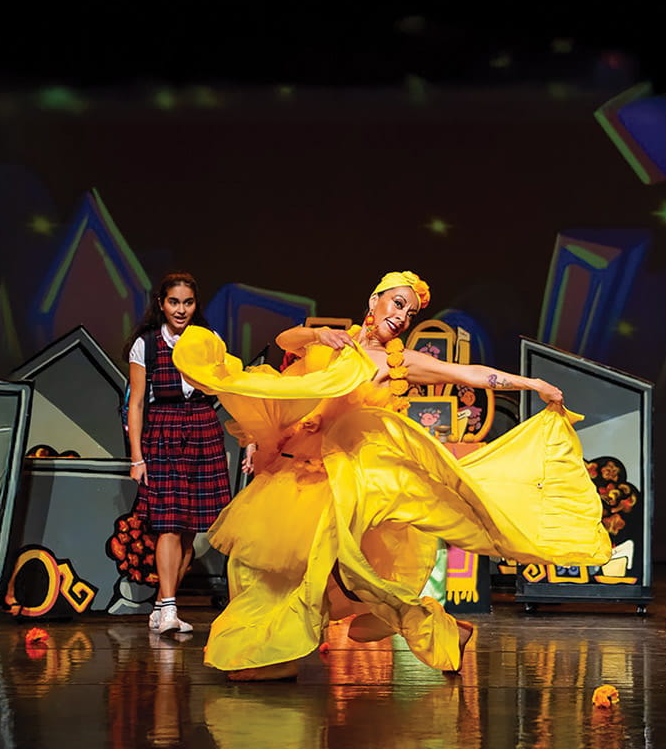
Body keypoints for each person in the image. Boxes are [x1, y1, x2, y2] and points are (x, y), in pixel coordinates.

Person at [172, 271, 612, 680]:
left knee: (343, 568)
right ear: (374, 301)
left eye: (409, 312)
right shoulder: (334, 345)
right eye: (396, 304)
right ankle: (269, 648)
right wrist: (316, 333)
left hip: (354, 484)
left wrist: (531, 385)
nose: (400, 317)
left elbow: (472, 374)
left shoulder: (400, 364)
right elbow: (286, 339)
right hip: (296, 477)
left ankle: (420, 627)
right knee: (275, 571)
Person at [125, 272, 234, 636]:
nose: (181, 310)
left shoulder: (209, 341)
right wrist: (136, 457)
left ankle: (161, 606)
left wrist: (250, 438)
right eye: (174, 302)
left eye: (187, 302)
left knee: (189, 529)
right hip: (164, 432)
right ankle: (170, 608)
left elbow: (229, 388)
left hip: (203, 430)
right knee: (168, 524)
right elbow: (137, 403)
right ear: (162, 303)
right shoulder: (147, 345)